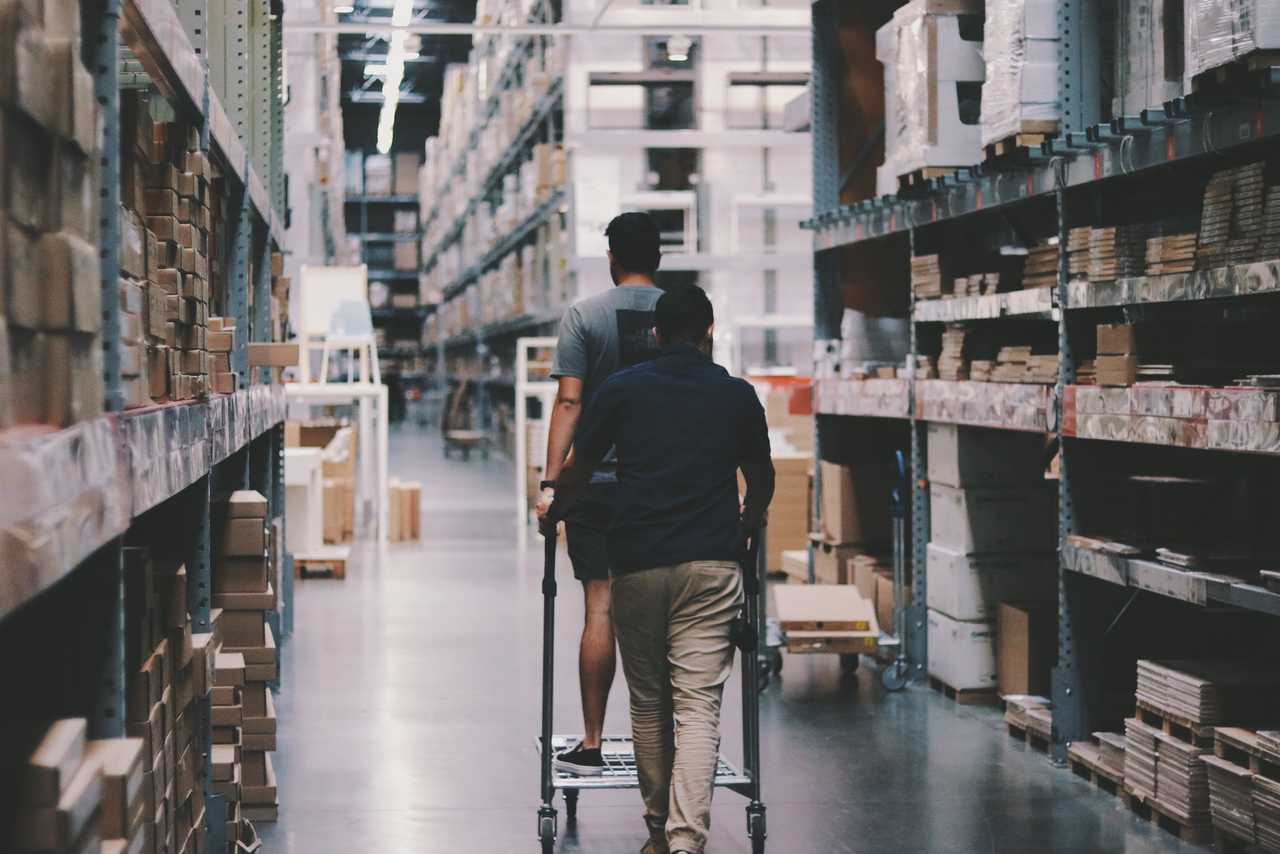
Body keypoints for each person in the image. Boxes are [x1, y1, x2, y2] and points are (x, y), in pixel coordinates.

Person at [542, 285, 776, 854]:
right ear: (710, 331)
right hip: (712, 564)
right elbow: (762, 476)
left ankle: (655, 830)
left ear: (655, 334)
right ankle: (685, 842)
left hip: (638, 563)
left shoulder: (622, 391)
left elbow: (579, 468)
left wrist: (555, 507)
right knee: (698, 708)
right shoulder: (738, 395)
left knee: (649, 705)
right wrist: (748, 521)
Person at [537, 212, 666, 775]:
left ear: (611, 256)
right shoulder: (681, 315)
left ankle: (591, 744)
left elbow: (569, 403)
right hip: (661, 485)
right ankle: (661, 743)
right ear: (657, 257)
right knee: (662, 612)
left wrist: (549, 484)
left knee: (600, 607)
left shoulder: (585, 316)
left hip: (595, 484)